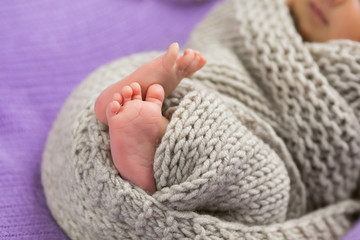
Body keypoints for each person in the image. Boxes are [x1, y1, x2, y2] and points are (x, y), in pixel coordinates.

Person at [94, 0, 360, 194]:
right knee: (188, 84)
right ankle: (148, 101)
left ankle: (157, 136)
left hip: (266, 145)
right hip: (210, 76)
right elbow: (214, 43)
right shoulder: (259, 10)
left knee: (264, 178)